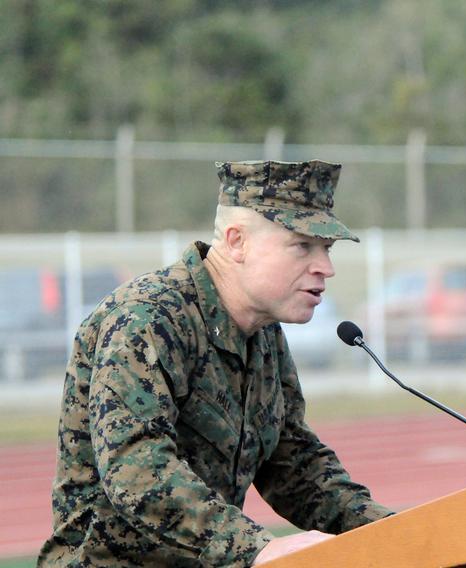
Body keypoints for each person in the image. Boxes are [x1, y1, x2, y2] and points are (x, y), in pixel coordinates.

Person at [39, 160, 393, 566]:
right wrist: (255, 548)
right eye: (302, 246)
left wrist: (400, 531)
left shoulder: (262, 333)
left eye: (326, 249)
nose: (325, 268)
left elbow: (293, 465)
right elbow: (137, 468)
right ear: (236, 241)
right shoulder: (149, 318)